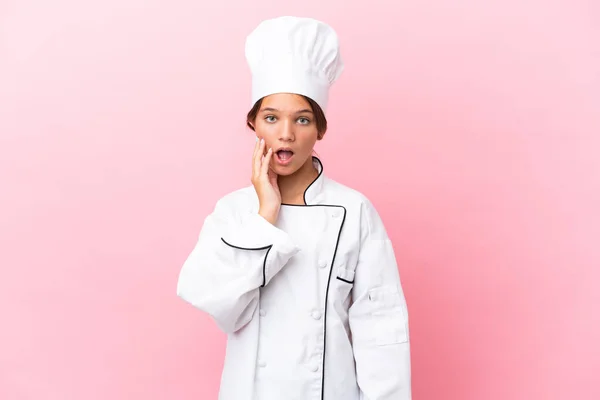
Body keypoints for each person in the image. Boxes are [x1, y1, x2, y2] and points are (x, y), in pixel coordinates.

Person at [176, 15, 412, 400]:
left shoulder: (353, 211)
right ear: (254, 124)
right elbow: (223, 307)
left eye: (302, 119)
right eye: (271, 118)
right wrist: (265, 215)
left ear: (320, 130)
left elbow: (380, 327)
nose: (286, 133)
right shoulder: (234, 211)